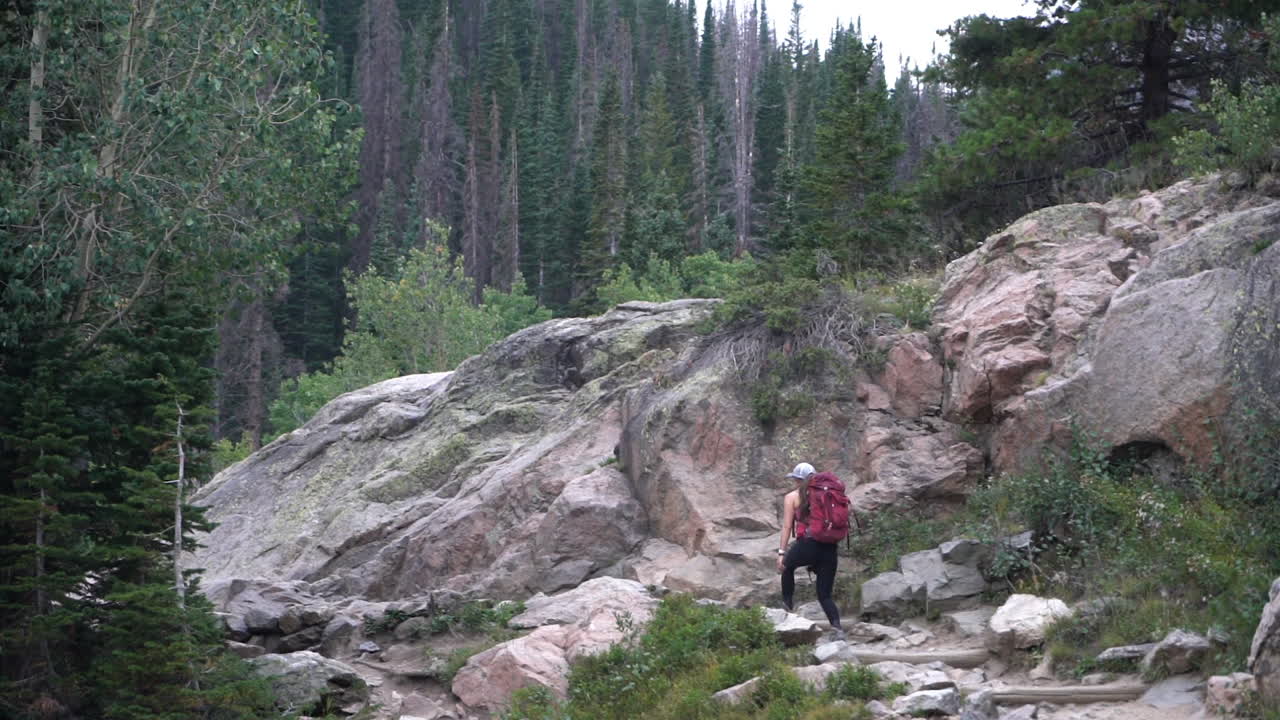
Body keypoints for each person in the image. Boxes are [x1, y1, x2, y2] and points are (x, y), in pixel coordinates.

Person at [776, 462, 842, 633]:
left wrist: (781, 553)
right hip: (830, 547)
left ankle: (787, 606)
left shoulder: (792, 497)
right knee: (824, 595)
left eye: (795, 479)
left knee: (787, 567)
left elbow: (787, 527)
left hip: (808, 545)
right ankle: (837, 628)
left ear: (798, 480)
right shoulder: (827, 495)